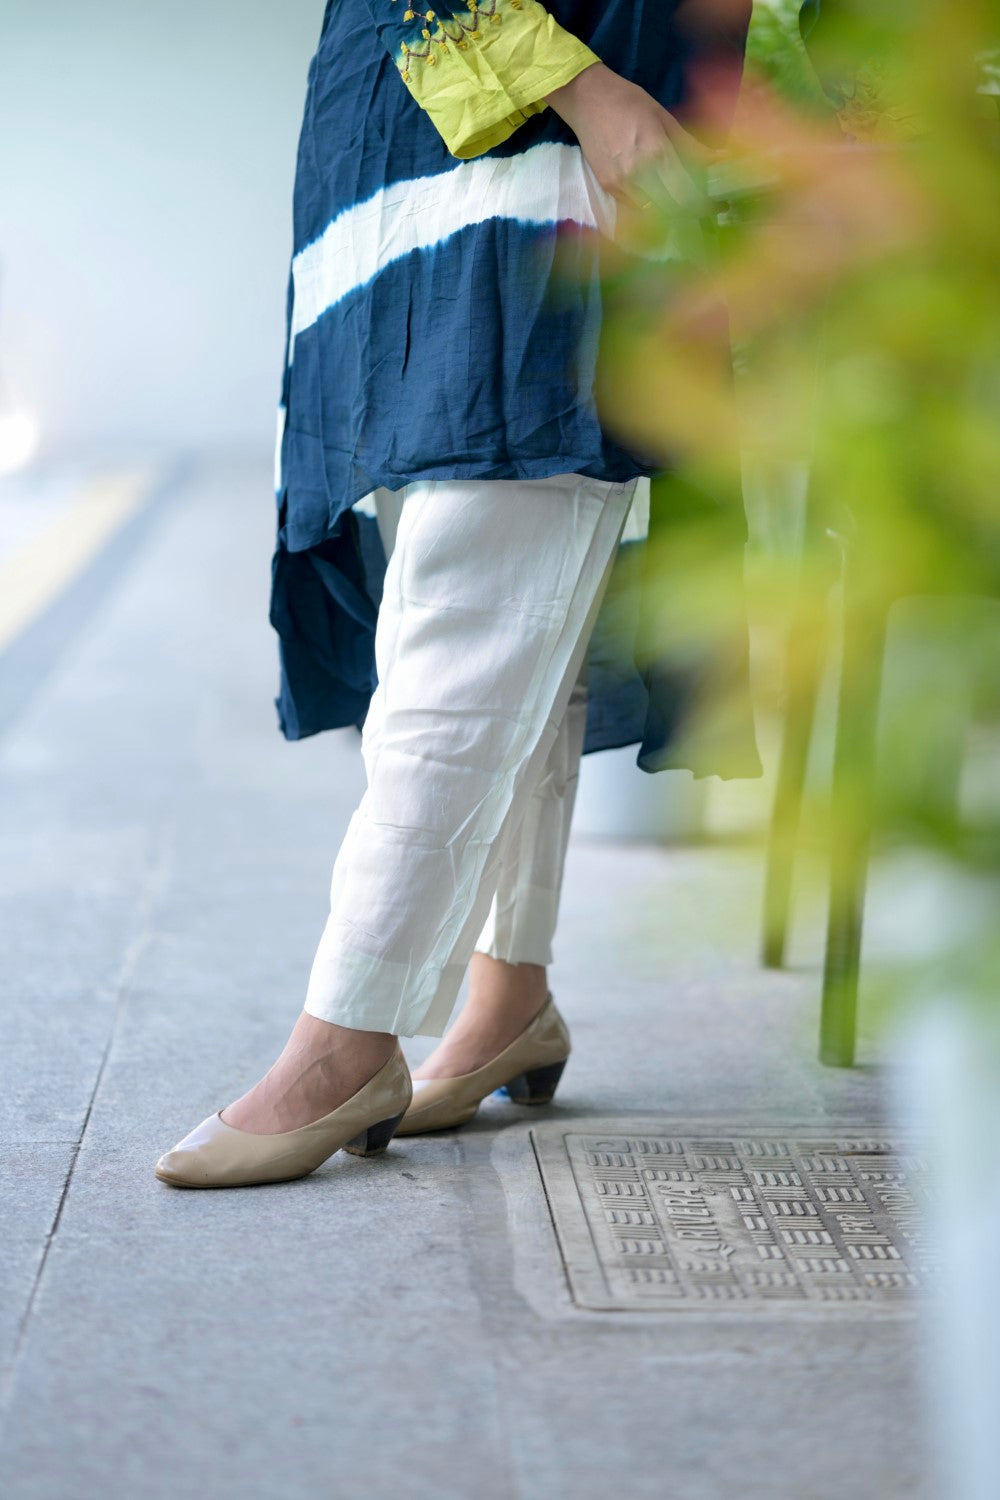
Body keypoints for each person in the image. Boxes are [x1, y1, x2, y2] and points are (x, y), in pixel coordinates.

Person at [156, 0, 756, 1189]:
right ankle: (507, 989)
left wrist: (608, 100)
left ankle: (348, 1037)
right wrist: (601, 96)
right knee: (500, 594)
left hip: (533, 130)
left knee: (485, 584)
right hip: (438, 126)